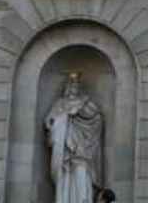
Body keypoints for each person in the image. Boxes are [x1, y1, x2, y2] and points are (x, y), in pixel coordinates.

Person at [45, 72, 105, 203]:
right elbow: (49, 121)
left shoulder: (85, 101)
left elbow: (96, 117)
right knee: (65, 176)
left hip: (81, 147)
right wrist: (61, 120)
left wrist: (79, 110)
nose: (75, 87)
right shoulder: (60, 103)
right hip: (64, 148)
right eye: (72, 85)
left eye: (77, 85)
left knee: (82, 172)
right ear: (68, 87)